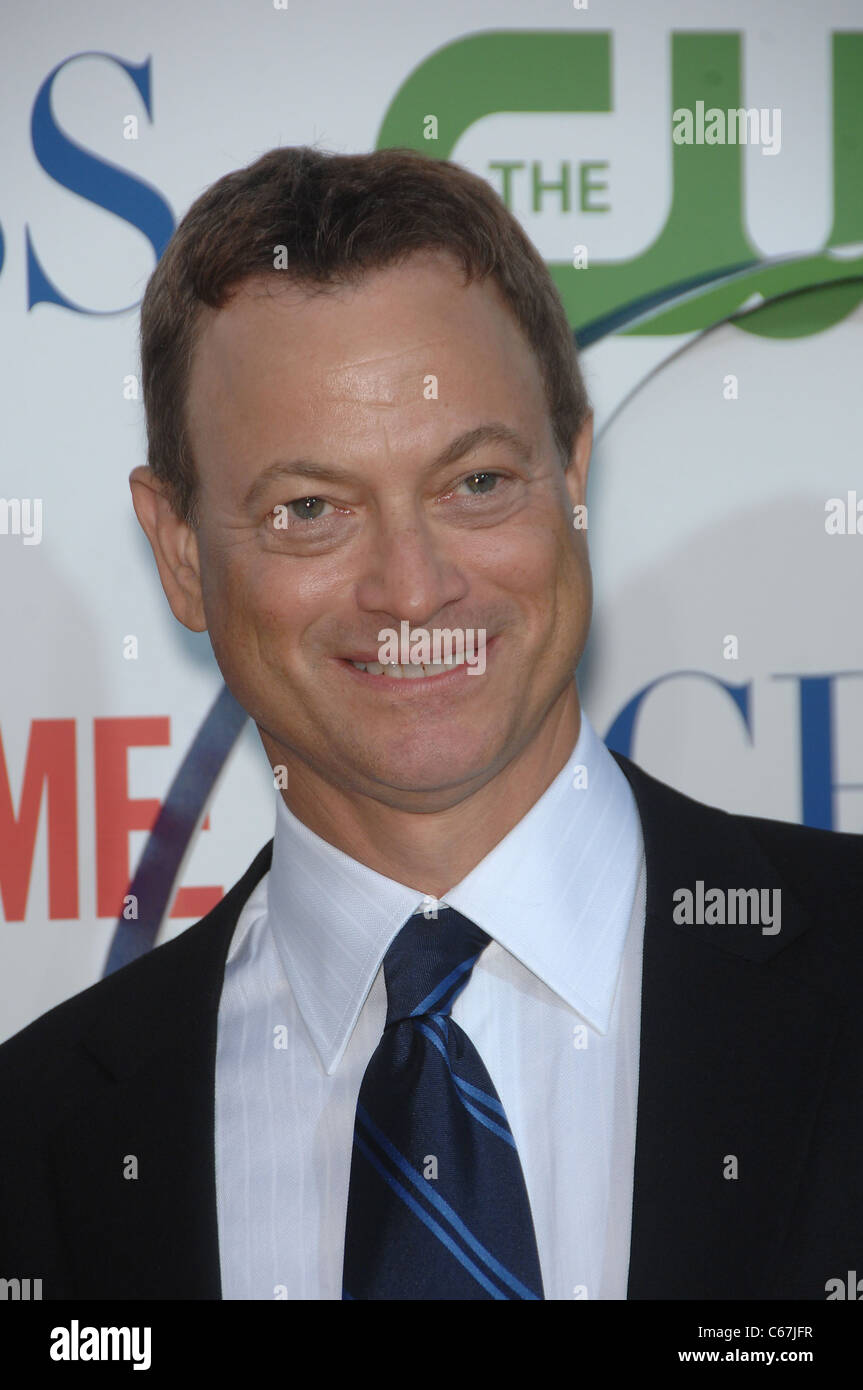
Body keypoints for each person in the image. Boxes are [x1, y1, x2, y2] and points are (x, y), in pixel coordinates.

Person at [1, 146, 861, 1301]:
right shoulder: (37, 1138)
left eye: (476, 484)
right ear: (178, 552)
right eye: (309, 508)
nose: (411, 589)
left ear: (571, 473)